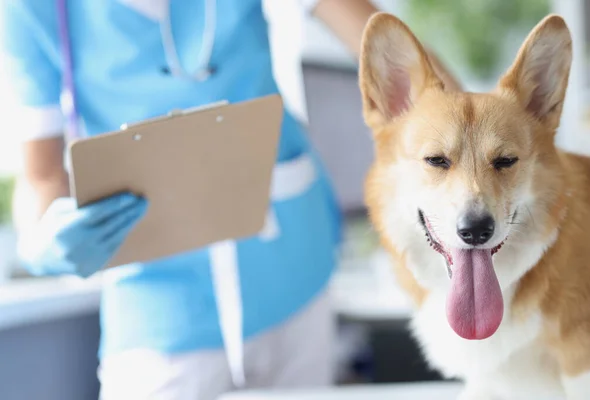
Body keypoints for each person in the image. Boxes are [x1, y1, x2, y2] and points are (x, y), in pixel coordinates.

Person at [0, 1, 458, 399]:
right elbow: (41, 177)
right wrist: (45, 239)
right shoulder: (33, 8)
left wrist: (483, 148)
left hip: (292, 267)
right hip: (162, 299)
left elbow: (407, 65)